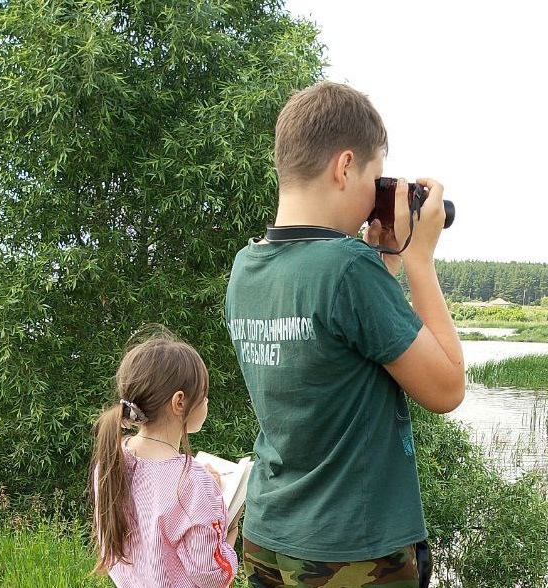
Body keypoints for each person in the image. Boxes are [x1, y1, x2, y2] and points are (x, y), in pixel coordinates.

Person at [225, 81, 465, 587]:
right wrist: (420, 260)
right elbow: (446, 389)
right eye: (375, 179)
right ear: (344, 166)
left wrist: (388, 265)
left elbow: (332, 353)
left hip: (270, 535)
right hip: (351, 551)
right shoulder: (348, 269)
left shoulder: (247, 268)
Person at [89, 327, 238, 588]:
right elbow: (212, 575)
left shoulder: (111, 461)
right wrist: (228, 525)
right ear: (179, 401)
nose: (207, 403)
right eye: (204, 394)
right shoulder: (193, 482)